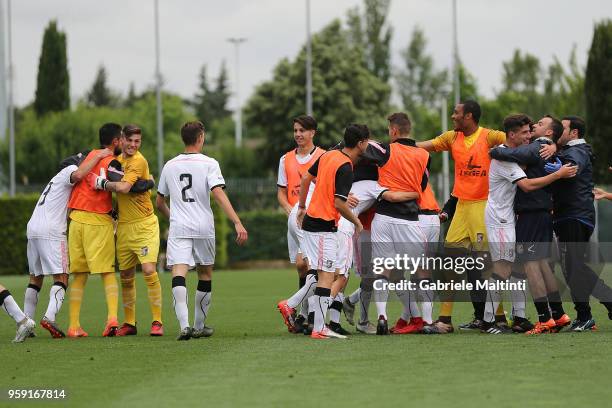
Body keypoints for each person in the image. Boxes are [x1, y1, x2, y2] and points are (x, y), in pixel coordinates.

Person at [417, 100, 507, 334]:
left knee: (487, 266)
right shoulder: (451, 137)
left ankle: (500, 319)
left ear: (468, 116)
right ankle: (445, 320)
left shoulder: (490, 137)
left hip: (483, 208)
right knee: (451, 264)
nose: (452, 116)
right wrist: (400, 146)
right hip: (462, 209)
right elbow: (423, 146)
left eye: (456, 113)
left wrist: (545, 145)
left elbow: (516, 139)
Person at [481, 114, 577, 334]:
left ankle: (522, 317)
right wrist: (559, 174)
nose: (529, 134)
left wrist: (551, 145)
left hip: (516, 217)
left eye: (531, 130)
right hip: (501, 220)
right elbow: (527, 186)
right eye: (525, 132)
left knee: (519, 268)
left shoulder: (526, 151)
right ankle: (487, 321)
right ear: (512, 134)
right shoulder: (505, 157)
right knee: (504, 268)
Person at [156, 121, 248, 341]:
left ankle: (184, 325)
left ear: (183, 139)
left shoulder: (169, 165)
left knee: (179, 272)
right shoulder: (209, 163)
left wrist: (174, 218)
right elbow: (218, 193)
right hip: (204, 226)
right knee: (205, 274)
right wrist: (236, 221)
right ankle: (199, 325)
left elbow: (159, 202)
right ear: (201, 137)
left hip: (179, 227)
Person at [23, 149, 112, 338]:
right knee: (62, 277)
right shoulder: (70, 171)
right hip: (51, 230)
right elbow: (80, 173)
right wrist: (98, 155)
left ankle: (26, 323)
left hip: (33, 228)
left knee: (35, 278)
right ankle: (49, 317)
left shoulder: (55, 181)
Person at [296, 124, 369, 339]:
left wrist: (301, 207)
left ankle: (319, 326)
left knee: (324, 276)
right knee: (327, 276)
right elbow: (339, 203)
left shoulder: (329, 155)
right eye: (367, 141)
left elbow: (306, 177)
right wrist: (357, 222)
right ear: (361, 143)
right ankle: (318, 327)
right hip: (322, 225)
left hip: (315, 222)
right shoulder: (346, 166)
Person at [361, 113, 430, 335]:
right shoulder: (423, 155)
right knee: (421, 270)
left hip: (382, 217)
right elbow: (423, 183)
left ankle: (382, 315)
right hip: (408, 219)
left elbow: (361, 146)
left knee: (383, 270)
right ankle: (427, 320)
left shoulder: (385, 150)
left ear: (393, 131)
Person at [95, 124, 163, 336]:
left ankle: (157, 322)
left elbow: (123, 188)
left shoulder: (138, 161)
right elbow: (125, 191)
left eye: (137, 141)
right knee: (125, 275)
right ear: (121, 140)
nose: (133, 145)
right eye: (130, 140)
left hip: (144, 225)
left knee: (150, 270)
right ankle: (130, 323)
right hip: (124, 226)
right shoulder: (117, 160)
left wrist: (103, 184)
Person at [547, 116, 612, 331]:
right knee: (572, 267)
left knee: (574, 266)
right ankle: (584, 316)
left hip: (575, 215)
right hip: (569, 215)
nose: (557, 132)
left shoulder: (577, 151)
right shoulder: (570, 150)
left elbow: (571, 169)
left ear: (574, 133)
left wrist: (545, 158)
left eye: (562, 129)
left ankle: (598, 308)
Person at [66, 123, 125, 338]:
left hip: (75, 220)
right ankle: (112, 319)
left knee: (79, 275)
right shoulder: (113, 162)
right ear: (116, 141)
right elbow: (121, 189)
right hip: (97, 220)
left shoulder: (88, 156)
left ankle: (73, 326)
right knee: (108, 272)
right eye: (123, 139)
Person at [276, 115, 325, 332]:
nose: (298, 134)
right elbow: (281, 193)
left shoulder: (323, 156)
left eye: (302, 130)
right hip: (295, 219)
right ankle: (305, 315)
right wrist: (291, 211)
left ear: (312, 132)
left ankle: (307, 315)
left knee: (310, 265)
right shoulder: (285, 159)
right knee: (302, 267)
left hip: (314, 219)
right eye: (295, 130)